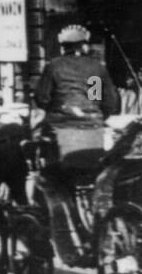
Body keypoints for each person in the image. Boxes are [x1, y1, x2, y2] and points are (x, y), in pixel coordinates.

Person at [33, 24, 119, 178]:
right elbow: (103, 102)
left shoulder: (54, 66)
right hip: (92, 129)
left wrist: (57, 108)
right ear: (84, 46)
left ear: (62, 47)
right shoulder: (95, 68)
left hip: (59, 129)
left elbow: (42, 99)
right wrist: (92, 116)